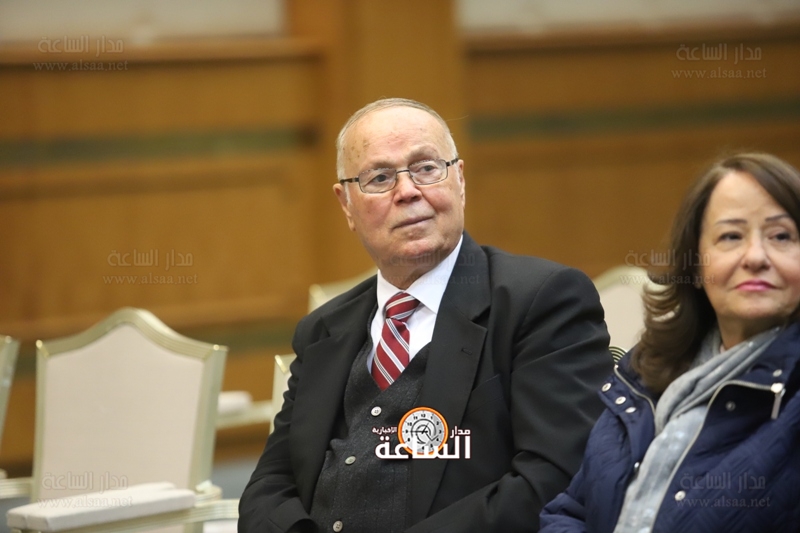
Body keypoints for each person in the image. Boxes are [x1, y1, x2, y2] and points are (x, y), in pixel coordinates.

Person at [239, 98, 612, 533]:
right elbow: (270, 485)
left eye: (427, 168)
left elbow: (555, 479)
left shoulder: (540, 301)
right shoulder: (323, 329)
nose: (408, 191)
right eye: (380, 178)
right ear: (347, 205)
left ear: (460, 180)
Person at [540, 152, 800, 533]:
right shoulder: (647, 369)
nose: (756, 257)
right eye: (731, 236)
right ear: (695, 263)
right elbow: (571, 511)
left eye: (781, 236)